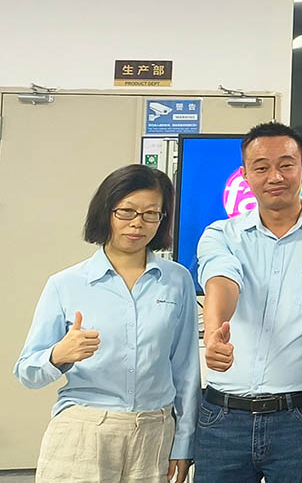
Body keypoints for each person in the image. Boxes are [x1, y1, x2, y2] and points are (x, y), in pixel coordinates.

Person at [193, 122, 302, 482]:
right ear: (244, 174)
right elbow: (222, 279)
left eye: (286, 165)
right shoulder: (221, 234)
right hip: (222, 419)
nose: (275, 177)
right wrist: (215, 331)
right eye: (261, 167)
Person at [15, 164, 199, 483]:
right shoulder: (66, 284)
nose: (137, 223)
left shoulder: (177, 280)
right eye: (126, 211)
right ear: (106, 212)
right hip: (84, 432)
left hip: (154, 433)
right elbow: (26, 372)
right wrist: (58, 355)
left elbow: (185, 370)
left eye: (151, 214)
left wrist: (184, 442)